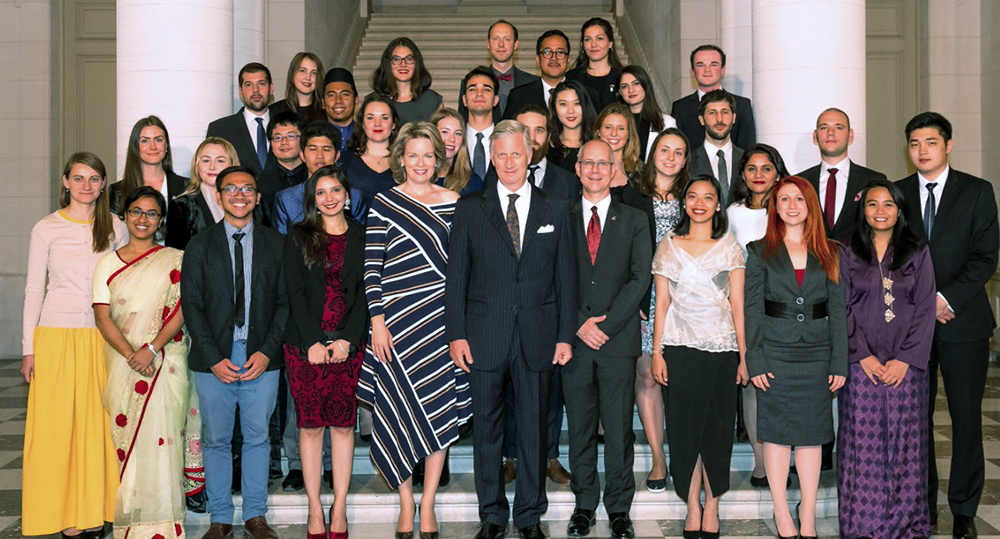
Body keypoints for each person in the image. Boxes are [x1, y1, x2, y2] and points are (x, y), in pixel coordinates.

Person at [445, 120, 576, 539]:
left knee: (535, 430)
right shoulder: (470, 208)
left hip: (539, 336)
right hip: (484, 335)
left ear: (530, 154)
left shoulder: (555, 207)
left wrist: (564, 335)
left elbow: (566, 279)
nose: (508, 162)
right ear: (493, 158)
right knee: (486, 428)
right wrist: (457, 334)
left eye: (515, 153)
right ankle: (492, 514)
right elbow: (457, 278)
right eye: (500, 154)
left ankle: (529, 516)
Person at [357, 122, 471, 539]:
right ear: (399, 159)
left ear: (438, 159)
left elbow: (463, 269)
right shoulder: (384, 203)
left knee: (437, 411)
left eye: (428, 155)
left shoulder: (457, 202)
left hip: (441, 324)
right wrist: (377, 322)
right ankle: (406, 503)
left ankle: (428, 504)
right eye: (413, 155)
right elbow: (371, 269)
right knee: (395, 410)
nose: (421, 163)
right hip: (397, 326)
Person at [897, 112, 999, 538]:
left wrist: (944, 298)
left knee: (964, 418)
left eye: (931, 143)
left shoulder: (976, 191)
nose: (922, 150)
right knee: (915, 420)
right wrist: (922, 303)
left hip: (964, 323)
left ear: (948, 145)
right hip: (910, 328)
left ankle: (962, 509)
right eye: (915, 143)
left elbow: (985, 257)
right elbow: (890, 257)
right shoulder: (896, 194)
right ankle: (921, 503)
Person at [21, 152, 128, 537]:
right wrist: (28, 348)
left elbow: (124, 286)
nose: (87, 185)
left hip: (102, 338)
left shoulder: (116, 227)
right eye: (79, 178)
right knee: (57, 430)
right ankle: (65, 518)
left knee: (100, 428)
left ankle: (97, 511)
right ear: (65, 181)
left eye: (95, 178)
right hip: (55, 335)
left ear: (103, 184)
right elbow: (35, 288)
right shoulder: (45, 228)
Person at [182, 166, 288, 539]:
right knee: (216, 439)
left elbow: (284, 303)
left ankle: (256, 516)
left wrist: (266, 352)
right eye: (231, 189)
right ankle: (220, 517)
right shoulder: (199, 245)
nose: (239, 195)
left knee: (259, 437)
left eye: (247, 189)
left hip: (261, 357)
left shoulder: (277, 244)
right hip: (214, 360)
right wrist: (212, 357)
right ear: (218, 195)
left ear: (258, 197)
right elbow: (191, 305)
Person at [744, 176, 847, 539]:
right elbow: (751, 309)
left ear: (810, 206)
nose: (791, 205)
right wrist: (753, 358)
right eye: (783, 199)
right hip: (774, 351)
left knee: (812, 435)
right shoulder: (759, 251)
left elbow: (839, 310)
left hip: (818, 353)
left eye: (798, 199)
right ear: (775, 207)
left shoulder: (832, 250)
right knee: (774, 434)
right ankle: (779, 509)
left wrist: (839, 361)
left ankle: (807, 512)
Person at [92, 186, 200, 537]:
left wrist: (150, 349)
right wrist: (131, 354)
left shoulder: (176, 259)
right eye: (136, 211)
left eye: (151, 213)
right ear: (124, 215)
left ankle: (165, 524)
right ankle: (133, 519)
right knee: (130, 441)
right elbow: (102, 317)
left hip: (164, 361)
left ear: (161, 220)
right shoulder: (107, 262)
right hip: (124, 364)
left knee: (164, 437)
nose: (143, 219)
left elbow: (182, 310)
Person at [650, 174, 746, 539]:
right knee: (684, 429)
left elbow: (738, 304)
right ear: (684, 202)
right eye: (693, 196)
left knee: (718, 430)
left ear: (718, 204)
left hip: (722, 349)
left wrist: (744, 355)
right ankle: (692, 505)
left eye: (708, 197)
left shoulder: (730, 247)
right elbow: (661, 303)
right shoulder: (668, 245)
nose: (700, 202)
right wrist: (656, 352)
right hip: (679, 347)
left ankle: (714, 504)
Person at [838, 178, 935, 539]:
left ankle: (907, 525)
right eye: (873, 204)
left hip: (906, 367)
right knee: (862, 448)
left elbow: (926, 307)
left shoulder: (917, 250)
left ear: (900, 211)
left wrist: (905, 359)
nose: (880, 211)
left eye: (888, 205)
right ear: (862, 210)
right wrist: (860, 355)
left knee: (906, 446)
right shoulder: (847, 250)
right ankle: (863, 525)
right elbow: (841, 306)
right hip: (860, 365)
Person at [563, 140, 651, 539]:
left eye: (604, 163)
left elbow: (640, 278)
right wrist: (579, 324)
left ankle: (618, 508)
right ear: (578, 169)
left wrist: (607, 325)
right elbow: (552, 278)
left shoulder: (634, 219)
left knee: (618, 430)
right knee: (580, 427)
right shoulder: (559, 216)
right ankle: (583, 505)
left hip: (617, 342)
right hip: (575, 342)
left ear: (615, 169)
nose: (596, 169)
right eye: (589, 163)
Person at [283, 166, 368, 539]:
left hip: (349, 345)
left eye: (336, 189)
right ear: (312, 199)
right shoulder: (299, 236)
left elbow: (368, 294)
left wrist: (348, 339)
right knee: (312, 427)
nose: (330, 197)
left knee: (344, 427)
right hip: (306, 346)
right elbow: (294, 293)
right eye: (321, 192)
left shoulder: (365, 237)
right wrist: (313, 341)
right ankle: (315, 508)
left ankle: (340, 507)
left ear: (347, 195)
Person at [620, 128, 689, 493]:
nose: (671, 157)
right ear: (653, 153)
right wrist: (633, 300)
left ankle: (684, 455)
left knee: (681, 379)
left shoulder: (694, 195)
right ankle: (659, 458)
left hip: (689, 301)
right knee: (647, 375)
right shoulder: (632, 195)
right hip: (646, 300)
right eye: (665, 150)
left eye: (678, 152)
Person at [725, 143, 789, 490]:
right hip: (747, 307)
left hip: (785, 307)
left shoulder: (788, 207)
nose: (759, 175)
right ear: (743, 175)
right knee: (752, 383)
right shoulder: (733, 213)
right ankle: (762, 463)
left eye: (766, 168)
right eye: (752, 168)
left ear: (778, 172)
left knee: (782, 386)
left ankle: (784, 459)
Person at [798, 107, 888, 242]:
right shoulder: (800, 181)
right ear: (815, 136)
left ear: (850, 135)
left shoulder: (873, 180)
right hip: (811, 260)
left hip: (859, 261)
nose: (830, 133)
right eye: (824, 128)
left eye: (838, 127)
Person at [670, 44, 756, 150]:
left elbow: (748, 149)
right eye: (700, 65)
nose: (707, 70)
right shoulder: (680, 108)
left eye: (713, 64)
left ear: (722, 69)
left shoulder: (742, 105)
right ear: (692, 71)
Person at [165, 137, 244, 250]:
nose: (212, 167)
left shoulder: (248, 201)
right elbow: (175, 255)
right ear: (197, 166)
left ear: (232, 165)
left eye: (220, 160)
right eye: (206, 160)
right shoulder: (182, 206)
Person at [458, 20, 538, 122]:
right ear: (488, 44)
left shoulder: (533, 82)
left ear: (516, 44)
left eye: (507, 39)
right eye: (496, 39)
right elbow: (463, 121)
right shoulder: (468, 82)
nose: (501, 44)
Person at [109, 116, 188, 219]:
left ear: (166, 145)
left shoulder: (186, 187)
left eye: (158, 140)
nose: (153, 147)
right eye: (145, 141)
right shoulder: (118, 192)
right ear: (135, 146)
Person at [273, 122, 343, 234]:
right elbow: (280, 243)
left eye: (326, 149)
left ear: (337, 156)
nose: (319, 155)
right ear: (302, 155)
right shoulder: (286, 199)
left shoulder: (354, 196)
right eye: (313, 149)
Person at [341, 95, 400, 225]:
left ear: (394, 124)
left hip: (396, 237)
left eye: (384, 117)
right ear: (362, 124)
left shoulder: (405, 161)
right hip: (355, 237)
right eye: (370, 117)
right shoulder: (345, 160)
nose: (377, 123)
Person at [207, 62, 274, 173]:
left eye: (261, 84)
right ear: (240, 91)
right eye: (248, 85)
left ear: (271, 88)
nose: (255, 90)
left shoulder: (286, 125)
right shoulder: (220, 129)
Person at [369, 37, 442, 125]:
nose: (403, 65)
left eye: (409, 59)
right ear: (388, 63)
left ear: (416, 63)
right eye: (396, 59)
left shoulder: (432, 100)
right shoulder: (373, 100)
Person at [688, 89, 743, 207]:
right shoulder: (688, 161)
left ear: (733, 118)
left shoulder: (747, 160)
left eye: (725, 112)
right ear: (701, 120)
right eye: (712, 113)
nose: (719, 119)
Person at [503, 30, 571, 119]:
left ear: (568, 59)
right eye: (547, 52)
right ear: (538, 59)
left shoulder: (583, 94)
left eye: (560, 52)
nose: (554, 58)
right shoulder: (519, 96)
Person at [618, 65, 677, 162]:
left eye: (636, 83)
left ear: (645, 86)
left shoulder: (667, 122)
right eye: (624, 86)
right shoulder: (616, 121)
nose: (631, 90)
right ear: (620, 92)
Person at [566, 17, 623, 111]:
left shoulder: (621, 78)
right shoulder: (572, 77)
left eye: (599, 38)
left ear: (610, 43)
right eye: (588, 39)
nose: (593, 44)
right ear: (583, 45)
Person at [258, 111, 308, 216]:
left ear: (304, 139)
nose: (284, 142)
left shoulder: (315, 177)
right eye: (278, 138)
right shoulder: (260, 183)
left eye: (291, 136)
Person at [431, 107, 485, 196]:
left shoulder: (472, 183)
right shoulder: (417, 176)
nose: (452, 139)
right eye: (445, 132)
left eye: (458, 133)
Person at [548, 79, 597, 173]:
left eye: (577, 104)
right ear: (554, 108)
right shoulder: (547, 147)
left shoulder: (599, 142)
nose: (570, 111)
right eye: (563, 104)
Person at [593, 103, 643, 196]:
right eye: (608, 127)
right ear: (598, 131)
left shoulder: (640, 173)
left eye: (621, 128)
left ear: (629, 134)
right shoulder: (586, 169)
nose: (614, 133)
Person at [462, 66, 500, 180]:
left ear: (495, 100)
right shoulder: (454, 140)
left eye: (487, 89)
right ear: (464, 100)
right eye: (472, 89)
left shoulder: (506, 139)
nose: (479, 93)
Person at [269, 52, 325, 122]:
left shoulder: (326, 112)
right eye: (302, 71)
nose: (308, 77)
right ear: (292, 74)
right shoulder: (274, 112)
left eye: (314, 73)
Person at [323, 68, 359, 152]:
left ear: (356, 100)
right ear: (323, 102)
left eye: (345, 94)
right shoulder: (313, 137)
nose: (338, 100)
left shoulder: (367, 135)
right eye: (331, 95)